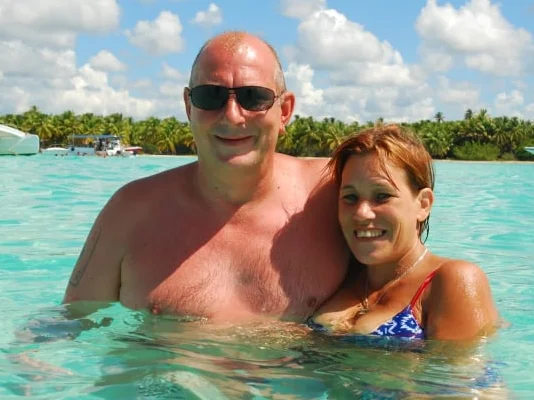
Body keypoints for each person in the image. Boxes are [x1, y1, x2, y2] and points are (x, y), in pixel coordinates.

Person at [63, 31, 349, 322]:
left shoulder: (337, 194)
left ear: (285, 111)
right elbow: (68, 326)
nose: (232, 116)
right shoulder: (129, 212)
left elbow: (395, 290)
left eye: (254, 97)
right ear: (189, 107)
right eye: (211, 96)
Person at [308, 125, 498, 340]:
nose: (361, 213)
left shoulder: (452, 280)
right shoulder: (342, 276)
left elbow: (459, 372)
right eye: (350, 197)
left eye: (382, 196)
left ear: (423, 205)